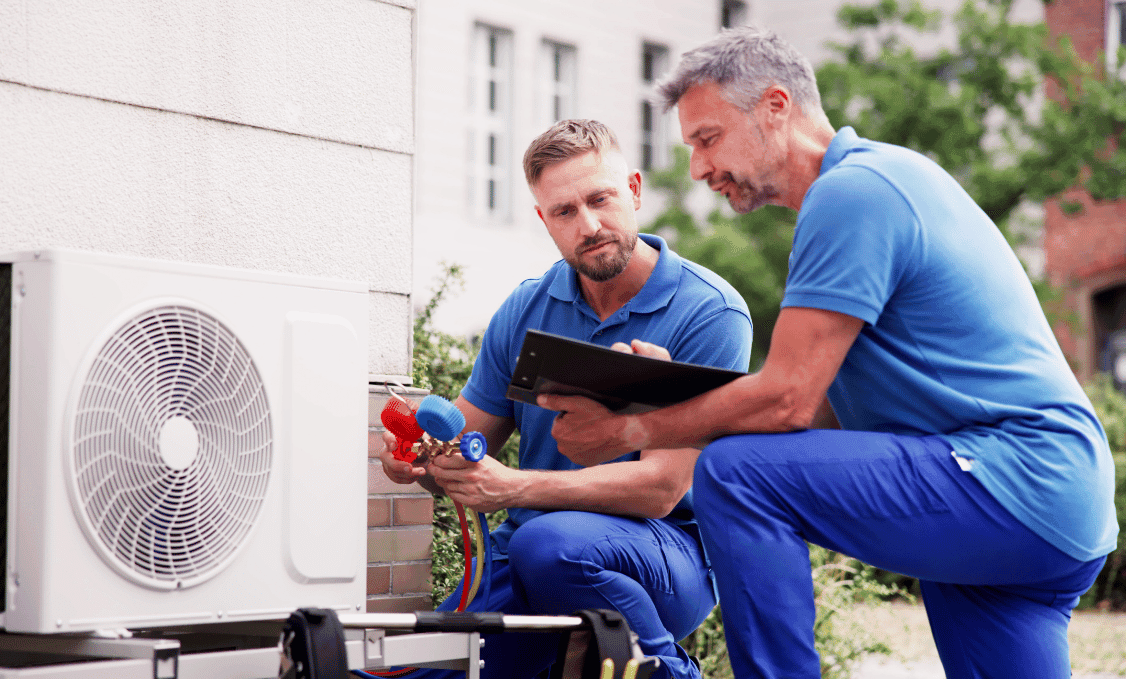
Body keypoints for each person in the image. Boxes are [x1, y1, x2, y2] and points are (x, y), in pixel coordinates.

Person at [540, 28, 1118, 679]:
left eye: (708, 138)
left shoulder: (853, 192)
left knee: (737, 474)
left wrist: (629, 428)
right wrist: (671, 391)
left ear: (775, 107)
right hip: (1054, 500)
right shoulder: (878, 181)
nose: (699, 167)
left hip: (1010, 472)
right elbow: (818, 414)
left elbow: (786, 402)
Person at [380, 119, 753, 679]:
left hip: (670, 554)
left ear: (633, 189)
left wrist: (515, 487)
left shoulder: (710, 314)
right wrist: (425, 463)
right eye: (564, 212)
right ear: (543, 220)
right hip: (526, 553)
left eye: (600, 199)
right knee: (421, 671)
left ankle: (670, 672)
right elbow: (463, 449)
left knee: (549, 543)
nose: (590, 224)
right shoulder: (526, 308)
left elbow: (660, 489)